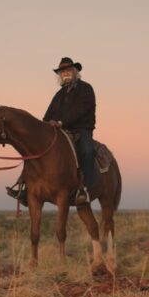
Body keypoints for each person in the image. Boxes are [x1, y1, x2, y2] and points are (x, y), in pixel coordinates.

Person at [43, 57, 96, 204]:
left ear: (75, 71)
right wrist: (44, 126)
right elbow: (48, 115)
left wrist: (61, 122)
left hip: (81, 129)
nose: (65, 73)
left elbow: (82, 110)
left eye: (68, 70)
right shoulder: (58, 95)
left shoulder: (86, 88)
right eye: (62, 72)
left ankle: (84, 189)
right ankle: (25, 186)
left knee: (87, 150)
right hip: (61, 131)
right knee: (37, 147)